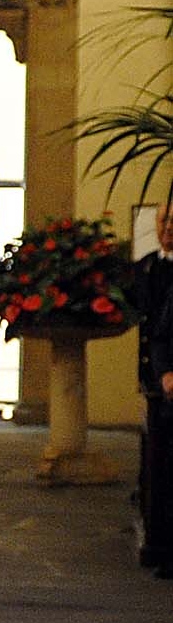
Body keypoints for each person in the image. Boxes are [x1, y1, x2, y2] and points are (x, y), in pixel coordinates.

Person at [136, 207, 173, 574]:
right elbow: (156, 332)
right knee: (159, 463)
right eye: (164, 222)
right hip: (161, 382)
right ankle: (159, 543)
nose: (168, 230)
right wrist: (161, 373)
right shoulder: (146, 267)